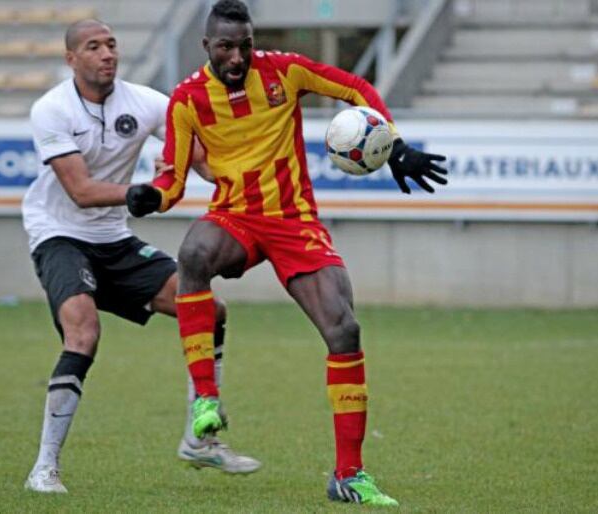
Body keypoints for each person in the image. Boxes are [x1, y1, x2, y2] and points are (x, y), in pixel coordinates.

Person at [126, 0, 447, 506]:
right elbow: (173, 173)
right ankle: (206, 399)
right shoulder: (187, 100)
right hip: (234, 216)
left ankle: (349, 475)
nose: (238, 57)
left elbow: (355, 89)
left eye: (245, 45)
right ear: (206, 46)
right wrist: (153, 195)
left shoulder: (283, 71)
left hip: (294, 221)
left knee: (344, 330)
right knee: (193, 253)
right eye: (227, 47)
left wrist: (395, 144)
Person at [22, 18, 260, 494]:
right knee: (84, 331)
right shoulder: (50, 109)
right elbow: (81, 191)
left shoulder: (147, 101)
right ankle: (44, 468)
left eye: (111, 44)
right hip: (60, 236)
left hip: (115, 240)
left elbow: (197, 156)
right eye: (94, 47)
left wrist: (227, 172)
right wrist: (146, 190)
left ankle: (198, 438)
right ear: (72, 59)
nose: (107, 53)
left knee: (209, 311)